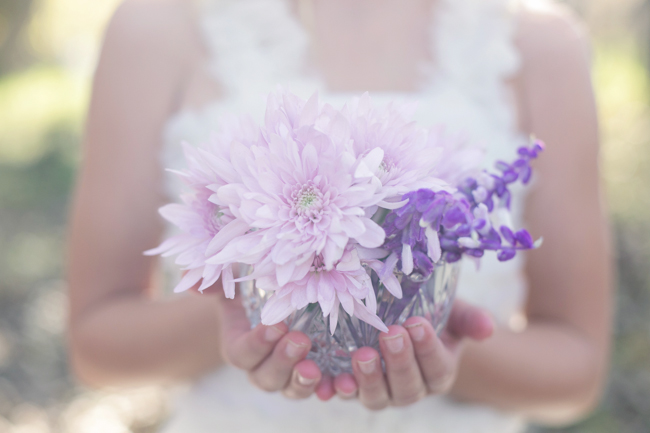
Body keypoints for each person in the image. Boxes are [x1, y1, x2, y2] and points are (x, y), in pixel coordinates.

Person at [67, 0, 612, 432]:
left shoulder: (540, 45)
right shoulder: (154, 27)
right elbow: (98, 345)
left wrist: (414, 338)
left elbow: (575, 374)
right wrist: (262, 313)